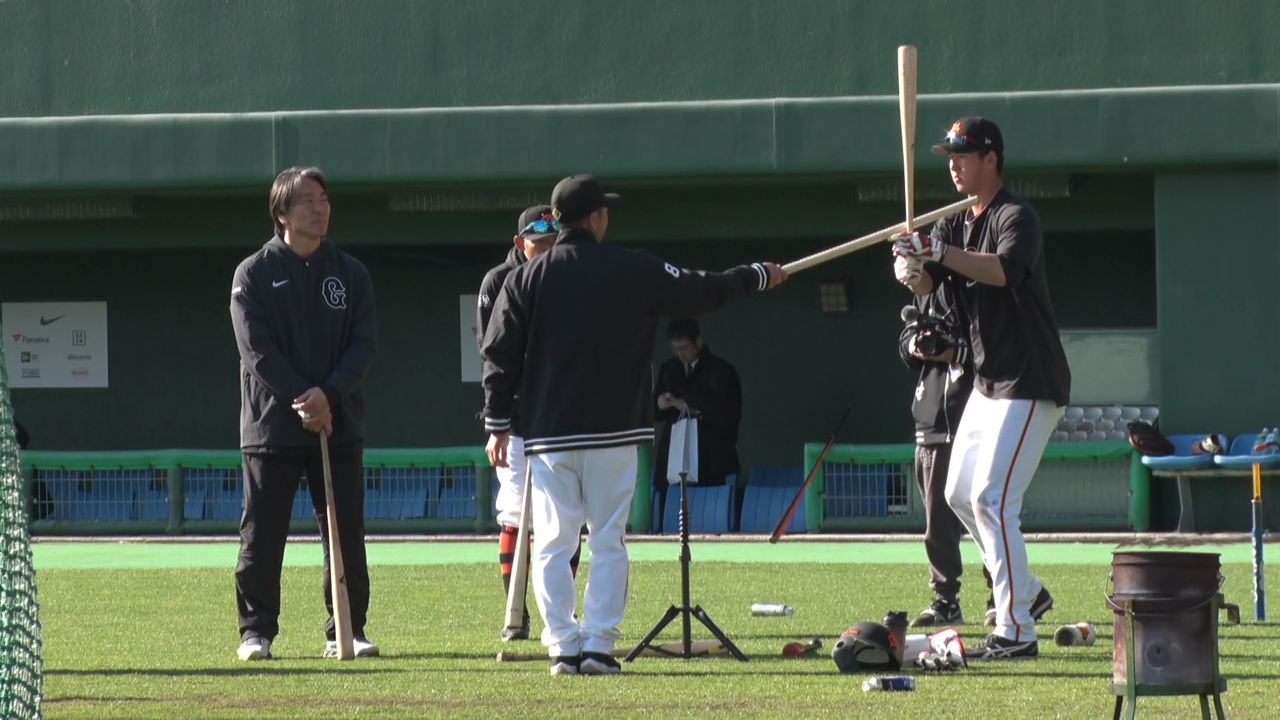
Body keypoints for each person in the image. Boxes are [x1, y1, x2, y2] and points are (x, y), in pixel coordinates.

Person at [481, 174, 785, 676]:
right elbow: (701, 290)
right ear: (598, 218)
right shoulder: (631, 267)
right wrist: (754, 275)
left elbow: (498, 353)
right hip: (614, 430)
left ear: (557, 221)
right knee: (607, 540)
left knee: (554, 544)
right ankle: (599, 645)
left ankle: (562, 646)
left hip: (548, 435)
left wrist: (497, 424)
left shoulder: (526, 276)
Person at [893, 117, 1069, 660]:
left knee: (993, 500)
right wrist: (912, 266)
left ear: (992, 158)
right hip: (988, 380)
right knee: (957, 494)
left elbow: (1002, 271)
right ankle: (1028, 591)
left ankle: (1016, 630)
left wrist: (936, 253)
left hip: (1031, 378)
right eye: (949, 155)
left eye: (962, 155)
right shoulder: (950, 223)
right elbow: (929, 284)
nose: (952, 164)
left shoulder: (1017, 215)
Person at [229, 166, 378, 661]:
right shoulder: (252, 273)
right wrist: (304, 398)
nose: (321, 208)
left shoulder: (351, 273)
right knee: (264, 534)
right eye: (308, 201)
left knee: (344, 530)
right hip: (273, 427)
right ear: (282, 213)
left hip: (339, 423)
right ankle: (256, 632)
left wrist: (329, 396)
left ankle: (347, 628)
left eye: (324, 199)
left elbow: (362, 347)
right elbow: (258, 351)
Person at [475, 204, 580, 642]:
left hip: (561, 416)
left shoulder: (569, 275)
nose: (548, 247)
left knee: (567, 517)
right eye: (539, 241)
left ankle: (562, 616)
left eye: (554, 239)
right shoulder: (499, 280)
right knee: (516, 511)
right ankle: (515, 615)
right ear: (521, 243)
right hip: (515, 418)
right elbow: (492, 352)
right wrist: (496, 421)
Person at [893, 256, 990, 628]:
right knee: (937, 518)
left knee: (985, 510)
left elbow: (989, 352)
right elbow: (905, 345)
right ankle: (945, 598)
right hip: (931, 418)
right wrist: (917, 344)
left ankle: (1005, 592)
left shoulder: (973, 290)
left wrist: (956, 352)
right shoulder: (924, 297)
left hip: (974, 413)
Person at [653, 318, 742, 515]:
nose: (680, 354)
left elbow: (727, 414)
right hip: (673, 452)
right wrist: (661, 403)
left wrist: (689, 406)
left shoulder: (720, 370)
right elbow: (655, 412)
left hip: (709, 455)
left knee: (707, 512)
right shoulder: (670, 369)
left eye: (684, 348)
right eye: (675, 349)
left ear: (699, 342)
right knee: (670, 509)